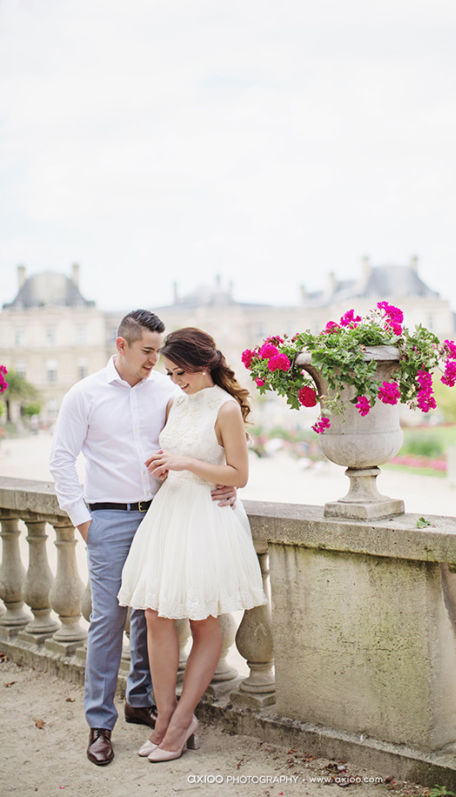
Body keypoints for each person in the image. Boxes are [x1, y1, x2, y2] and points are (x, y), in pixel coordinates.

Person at [49, 310, 236, 766]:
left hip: (165, 515)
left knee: (151, 618)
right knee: (108, 621)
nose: (156, 360)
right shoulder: (84, 394)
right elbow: (61, 461)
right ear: (122, 346)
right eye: (148, 351)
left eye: (160, 351)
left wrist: (227, 480)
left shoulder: (171, 390)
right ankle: (99, 724)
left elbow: (207, 439)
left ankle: (140, 700)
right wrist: (84, 521)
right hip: (108, 518)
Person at [118, 327, 267, 763]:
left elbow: (238, 475)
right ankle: (164, 719)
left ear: (203, 364)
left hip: (206, 516)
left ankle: (183, 720)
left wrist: (186, 462)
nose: (175, 380)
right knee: (154, 613)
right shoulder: (177, 403)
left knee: (203, 617)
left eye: (180, 372)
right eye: (170, 372)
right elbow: (182, 457)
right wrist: (168, 468)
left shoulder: (225, 407)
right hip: (171, 512)